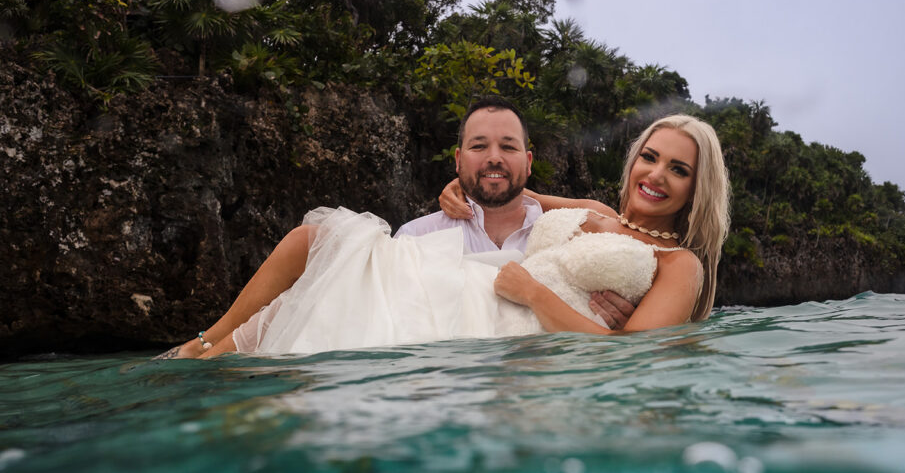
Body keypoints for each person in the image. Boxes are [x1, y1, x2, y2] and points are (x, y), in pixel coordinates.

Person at [175, 111, 730, 357]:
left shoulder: (681, 264)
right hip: (471, 284)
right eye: (650, 158)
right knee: (317, 244)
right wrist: (455, 185)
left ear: (696, 188)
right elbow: (510, 189)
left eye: (678, 169)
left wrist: (535, 295)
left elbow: (629, 358)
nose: (655, 175)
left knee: (324, 293)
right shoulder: (593, 209)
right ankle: (200, 349)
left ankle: (200, 367)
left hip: (502, 320)